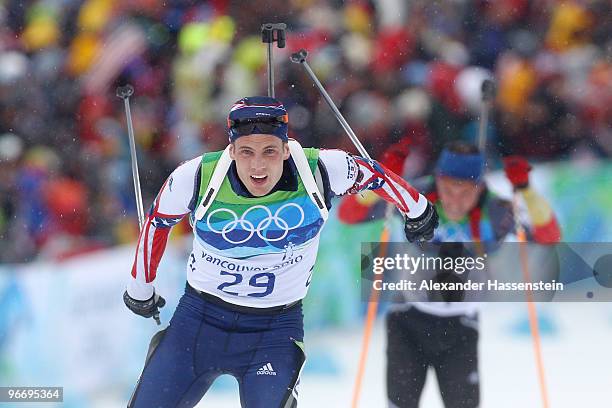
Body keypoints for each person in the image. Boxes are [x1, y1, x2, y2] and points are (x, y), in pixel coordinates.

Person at [122, 96, 439, 408]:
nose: (257, 165)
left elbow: (376, 175)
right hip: (197, 324)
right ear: (231, 150)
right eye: (246, 152)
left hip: (273, 332)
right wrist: (140, 289)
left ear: (286, 149)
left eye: (269, 151)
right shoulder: (196, 177)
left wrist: (418, 209)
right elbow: (156, 222)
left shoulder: (320, 170)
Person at [339, 141, 561, 408]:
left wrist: (525, 190)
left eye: (465, 192)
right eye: (448, 190)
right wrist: (381, 179)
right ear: (438, 180)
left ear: (479, 187)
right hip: (407, 319)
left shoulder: (497, 211)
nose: (455, 201)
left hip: (460, 327)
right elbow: (349, 215)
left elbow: (549, 235)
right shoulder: (415, 196)